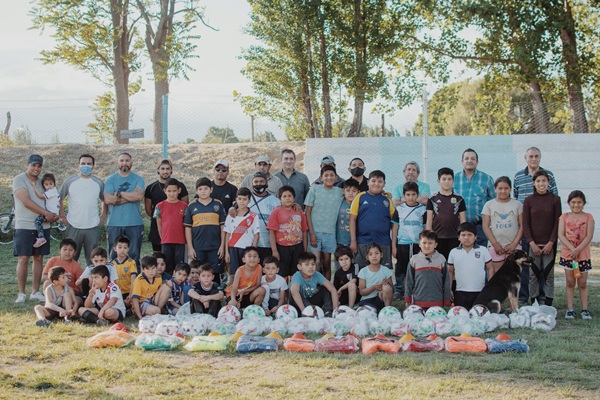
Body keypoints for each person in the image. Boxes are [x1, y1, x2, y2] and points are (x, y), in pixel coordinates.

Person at [513, 146, 558, 305]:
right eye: (530, 156)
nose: (533, 158)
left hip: (546, 230)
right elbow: (516, 199)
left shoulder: (549, 175)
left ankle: (544, 297)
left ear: (540, 158)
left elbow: (554, 201)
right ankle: (526, 297)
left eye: (536, 156)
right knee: (528, 264)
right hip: (528, 229)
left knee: (545, 267)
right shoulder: (518, 177)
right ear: (525, 158)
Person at [13, 154, 59, 303]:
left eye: (39, 166)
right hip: (25, 225)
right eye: (33, 165)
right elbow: (26, 201)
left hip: (43, 225)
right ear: (27, 165)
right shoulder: (19, 180)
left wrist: (55, 214)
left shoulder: (43, 182)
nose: (36, 168)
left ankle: (35, 291)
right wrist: (46, 213)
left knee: (38, 258)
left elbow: (53, 198)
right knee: (23, 258)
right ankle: (21, 293)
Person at [523, 170, 561, 306]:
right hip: (534, 244)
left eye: (544, 181)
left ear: (548, 182)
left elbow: (558, 222)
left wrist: (551, 242)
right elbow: (525, 224)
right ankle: (534, 302)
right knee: (533, 274)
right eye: (538, 181)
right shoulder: (528, 200)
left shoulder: (555, 200)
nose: (541, 183)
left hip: (549, 244)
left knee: (548, 274)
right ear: (533, 183)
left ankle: (549, 302)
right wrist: (531, 243)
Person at [59, 154, 106, 265]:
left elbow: (105, 200)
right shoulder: (70, 181)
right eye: (83, 163)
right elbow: (59, 198)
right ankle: (68, 281)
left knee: (93, 260)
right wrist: (62, 215)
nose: (86, 166)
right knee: (69, 259)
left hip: (93, 226)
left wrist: (103, 216)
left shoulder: (98, 183)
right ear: (78, 165)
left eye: (89, 164)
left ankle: (92, 281)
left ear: (93, 166)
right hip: (74, 226)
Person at [558, 190, 595, 320]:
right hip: (568, 256)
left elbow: (589, 236)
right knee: (570, 282)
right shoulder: (564, 217)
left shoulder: (588, 217)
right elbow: (561, 235)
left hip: (583, 255)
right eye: (573, 202)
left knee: (583, 283)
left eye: (579, 202)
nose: (576, 205)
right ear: (569, 203)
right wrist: (572, 249)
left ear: (583, 203)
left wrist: (578, 249)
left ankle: (585, 310)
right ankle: (570, 309)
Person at [104, 152, 145, 264]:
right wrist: (131, 196)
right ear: (117, 163)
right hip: (114, 223)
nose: (124, 163)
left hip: (134, 223)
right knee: (114, 256)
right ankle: (114, 279)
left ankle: (133, 280)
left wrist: (118, 193)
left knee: (134, 256)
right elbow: (108, 200)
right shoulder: (110, 179)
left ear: (131, 163)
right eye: (122, 160)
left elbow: (139, 196)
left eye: (127, 160)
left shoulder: (138, 179)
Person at [304, 165, 344, 280]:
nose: (329, 178)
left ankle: (326, 289)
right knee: (315, 263)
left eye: (332, 175)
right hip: (315, 232)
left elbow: (353, 194)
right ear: (321, 177)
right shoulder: (314, 189)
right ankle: (314, 288)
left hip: (330, 233)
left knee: (326, 264)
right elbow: (307, 212)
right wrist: (311, 234)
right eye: (326, 175)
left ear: (336, 177)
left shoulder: (339, 192)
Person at [349, 170, 395, 269]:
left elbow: (394, 222)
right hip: (363, 241)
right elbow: (352, 219)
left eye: (380, 181)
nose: (376, 184)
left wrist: (394, 244)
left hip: (383, 242)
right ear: (368, 182)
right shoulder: (360, 197)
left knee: (384, 274)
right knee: (361, 273)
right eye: (373, 181)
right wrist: (353, 241)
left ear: (384, 184)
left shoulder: (387, 199)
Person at [184, 177, 226, 280]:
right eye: (200, 189)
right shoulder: (191, 206)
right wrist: (190, 248)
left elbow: (223, 226)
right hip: (198, 245)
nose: (203, 191)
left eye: (206, 188)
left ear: (211, 190)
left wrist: (222, 245)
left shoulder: (218, 204)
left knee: (214, 271)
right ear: (196, 191)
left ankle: (215, 291)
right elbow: (188, 228)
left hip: (215, 245)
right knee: (199, 270)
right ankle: (200, 292)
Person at [144, 158, 189, 254]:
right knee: (158, 257)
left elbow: (186, 206)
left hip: (176, 229)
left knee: (175, 257)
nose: (165, 171)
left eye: (168, 169)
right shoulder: (151, 188)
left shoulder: (180, 186)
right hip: (157, 226)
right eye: (162, 168)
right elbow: (148, 210)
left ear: (171, 170)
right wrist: (160, 219)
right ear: (158, 170)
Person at [481, 176, 523, 277]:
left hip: (513, 246)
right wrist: (495, 244)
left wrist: (514, 244)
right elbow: (485, 226)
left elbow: (522, 225)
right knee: (496, 276)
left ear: (510, 189)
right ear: (495, 189)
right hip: (496, 246)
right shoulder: (489, 205)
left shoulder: (517, 204)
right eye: (500, 188)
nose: (503, 191)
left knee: (513, 276)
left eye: (506, 188)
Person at [391, 181, 427, 300]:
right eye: (408, 195)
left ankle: (417, 290)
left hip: (418, 244)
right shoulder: (399, 209)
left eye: (413, 194)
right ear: (404, 195)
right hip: (403, 243)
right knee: (401, 267)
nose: (411, 198)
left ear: (417, 194)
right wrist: (394, 246)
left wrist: (425, 244)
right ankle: (400, 290)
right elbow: (395, 228)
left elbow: (426, 227)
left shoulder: (423, 209)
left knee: (417, 267)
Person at [453, 149, 496, 246]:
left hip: (480, 227)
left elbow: (493, 202)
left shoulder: (486, 179)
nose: (469, 160)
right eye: (466, 158)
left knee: (480, 255)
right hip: (459, 227)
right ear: (462, 161)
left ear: (477, 162)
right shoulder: (454, 179)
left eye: (473, 158)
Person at [448, 222, 492, 310]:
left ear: (475, 237)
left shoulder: (483, 250)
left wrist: (489, 288)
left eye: (469, 235)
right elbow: (450, 271)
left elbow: (490, 268)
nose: (466, 237)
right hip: (460, 292)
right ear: (458, 237)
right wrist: (449, 289)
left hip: (480, 291)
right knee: (462, 317)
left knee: (479, 316)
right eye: (463, 235)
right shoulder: (454, 252)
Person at [267, 186, 309, 278]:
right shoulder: (276, 212)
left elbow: (304, 231)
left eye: (290, 196)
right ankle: (284, 292)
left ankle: (294, 291)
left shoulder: (299, 211)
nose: (287, 198)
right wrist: (274, 251)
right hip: (282, 248)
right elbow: (271, 232)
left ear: (294, 198)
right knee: (282, 273)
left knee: (297, 272)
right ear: (280, 199)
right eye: (284, 196)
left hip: (298, 246)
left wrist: (305, 250)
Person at [426, 167, 466, 260]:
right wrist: (431, 237)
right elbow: (429, 221)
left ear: (453, 181)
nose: (447, 182)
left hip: (454, 238)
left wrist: (462, 236)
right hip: (438, 238)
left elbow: (463, 220)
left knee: (453, 264)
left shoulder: (459, 199)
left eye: (449, 179)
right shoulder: (432, 199)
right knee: (439, 263)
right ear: (438, 181)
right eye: (444, 179)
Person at [405, 230, 451, 309]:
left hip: (437, 302)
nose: (427, 246)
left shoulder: (441, 259)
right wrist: (407, 298)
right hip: (419, 302)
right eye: (424, 243)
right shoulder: (414, 260)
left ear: (435, 245)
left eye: (430, 243)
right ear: (419, 244)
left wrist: (447, 299)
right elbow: (409, 281)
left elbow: (446, 281)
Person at [153, 177, 188, 273]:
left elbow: (186, 226)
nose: (171, 194)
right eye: (169, 191)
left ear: (179, 190)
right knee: (167, 265)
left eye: (174, 191)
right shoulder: (159, 206)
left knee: (180, 266)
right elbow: (159, 225)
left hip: (180, 241)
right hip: (166, 241)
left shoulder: (185, 206)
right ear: (164, 191)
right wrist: (163, 239)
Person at [224, 187, 260, 277]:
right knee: (233, 274)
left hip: (246, 249)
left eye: (244, 199)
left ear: (249, 201)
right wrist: (226, 252)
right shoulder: (231, 215)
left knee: (246, 273)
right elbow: (227, 234)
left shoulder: (253, 216)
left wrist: (253, 250)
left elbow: (256, 234)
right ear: (236, 199)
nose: (242, 201)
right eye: (239, 199)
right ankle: (232, 290)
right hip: (233, 248)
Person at [289, 252, 339, 316]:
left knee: (325, 289)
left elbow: (332, 289)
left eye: (313, 264)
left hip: (313, 300)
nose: (310, 267)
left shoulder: (317, 274)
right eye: (307, 265)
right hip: (301, 304)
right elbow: (294, 291)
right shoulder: (297, 275)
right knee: (292, 291)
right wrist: (304, 310)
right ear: (299, 267)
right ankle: (308, 312)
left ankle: (328, 312)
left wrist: (335, 309)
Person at [247, 171, 281, 262]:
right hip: (251, 244)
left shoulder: (275, 201)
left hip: (269, 245)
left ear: (266, 183)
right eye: (256, 182)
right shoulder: (246, 200)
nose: (259, 184)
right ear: (252, 184)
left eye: (261, 181)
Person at [42, 238, 83, 306]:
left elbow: (80, 283)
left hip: (71, 291)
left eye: (70, 250)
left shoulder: (76, 266)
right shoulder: (53, 261)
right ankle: (50, 303)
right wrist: (59, 281)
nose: (67, 252)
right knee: (47, 282)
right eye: (65, 249)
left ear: (75, 253)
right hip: (56, 288)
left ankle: (66, 308)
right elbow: (44, 277)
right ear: (59, 251)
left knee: (75, 301)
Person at [357, 244, 393, 311]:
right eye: (371, 254)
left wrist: (387, 283)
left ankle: (387, 310)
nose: (374, 256)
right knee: (368, 313)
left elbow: (392, 290)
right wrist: (373, 287)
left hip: (380, 299)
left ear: (381, 255)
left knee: (386, 287)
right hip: (367, 300)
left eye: (376, 253)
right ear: (367, 257)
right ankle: (373, 310)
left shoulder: (386, 270)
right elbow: (361, 292)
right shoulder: (363, 271)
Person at [30, 172, 60, 248]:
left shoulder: (51, 191)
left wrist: (34, 186)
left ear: (54, 183)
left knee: (37, 221)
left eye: (51, 184)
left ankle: (41, 237)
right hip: (53, 211)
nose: (49, 186)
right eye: (46, 184)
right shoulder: (53, 190)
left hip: (51, 212)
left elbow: (40, 196)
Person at [111, 235, 138, 307]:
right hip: (117, 292)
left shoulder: (131, 262)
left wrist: (131, 294)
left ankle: (127, 307)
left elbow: (133, 280)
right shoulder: (112, 264)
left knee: (131, 301)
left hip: (128, 292)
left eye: (125, 248)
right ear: (115, 248)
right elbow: (112, 282)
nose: (122, 250)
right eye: (120, 247)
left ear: (128, 249)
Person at [336, 178, 360, 248]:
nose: (350, 193)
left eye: (354, 191)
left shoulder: (359, 205)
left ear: (358, 192)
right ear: (343, 191)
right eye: (348, 190)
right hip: (339, 240)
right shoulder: (339, 202)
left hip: (355, 241)